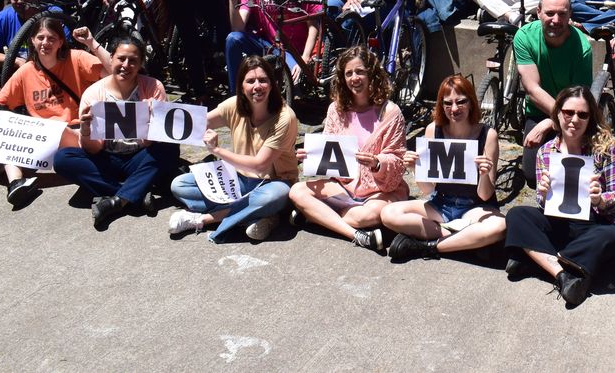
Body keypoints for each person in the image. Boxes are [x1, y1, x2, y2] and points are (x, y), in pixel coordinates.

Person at [503, 86, 615, 308]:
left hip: (593, 223)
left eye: (582, 114)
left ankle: (536, 259)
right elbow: (543, 204)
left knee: (613, 236)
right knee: (517, 215)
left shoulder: (607, 149)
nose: (574, 120)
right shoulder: (546, 151)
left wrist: (600, 200)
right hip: (558, 221)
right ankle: (563, 273)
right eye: (568, 112)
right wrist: (542, 193)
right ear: (558, 114)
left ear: (590, 118)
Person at [168, 55, 298, 242]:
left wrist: (218, 151)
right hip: (236, 180)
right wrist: (155, 117)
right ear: (241, 86)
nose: (257, 86)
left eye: (263, 80)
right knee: (179, 185)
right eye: (250, 81)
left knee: (272, 197)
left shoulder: (285, 117)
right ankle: (259, 216)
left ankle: (202, 219)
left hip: (274, 182)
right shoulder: (235, 104)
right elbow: (196, 123)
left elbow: (260, 165)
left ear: (272, 84)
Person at [55, 37, 179, 229]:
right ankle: (133, 194)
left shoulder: (153, 88)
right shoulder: (93, 93)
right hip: (107, 157)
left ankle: (116, 201)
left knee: (169, 147)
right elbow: (94, 150)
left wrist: (150, 120)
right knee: (63, 158)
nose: (126, 65)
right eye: (121, 59)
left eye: (133, 61)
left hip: (140, 156)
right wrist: (86, 131)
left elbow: (152, 142)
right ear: (111, 58)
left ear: (140, 64)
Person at [289, 48, 408, 249]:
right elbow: (329, 153)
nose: (354, 78)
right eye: (348, 73)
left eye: (360, 71)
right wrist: (311, 156)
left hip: (379, 190)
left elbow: (398, 159)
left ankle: (315, 216)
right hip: (345, 185)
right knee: (297, 191)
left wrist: (377, 163)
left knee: (365, 215)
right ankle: (356, 235)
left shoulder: (391, 112)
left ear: (372, 73)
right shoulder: (336, 109)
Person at [0, 16, 107, 205]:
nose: (45, 43)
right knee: (0, 122)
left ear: (60, 42)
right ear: (32, 40)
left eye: (51, 38)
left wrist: (91, 42)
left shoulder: (76, 58)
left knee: (60, 129)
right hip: (42, 138)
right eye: (40, 38)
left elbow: (114, 71)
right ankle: (16, 182)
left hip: (75, 132)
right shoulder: (26, 71)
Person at [382, 75, 506, 261]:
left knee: (500, 226)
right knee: (388, 213)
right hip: (440, 204)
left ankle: (428, 246)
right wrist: (416, 168)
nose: (454, 109)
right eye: (447, 103)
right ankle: (464, 240)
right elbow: (428, 189)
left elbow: (486, 195)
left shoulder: (488, 135)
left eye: (461, 102)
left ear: (471, 102)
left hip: (474, 207)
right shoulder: (433, 129)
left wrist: (485, 174)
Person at [514, 0, 593, 168]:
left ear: (570, 15)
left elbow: (579, 101)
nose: (556, 20)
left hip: (571, 114)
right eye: (550, 13)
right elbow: (533, 89)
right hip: (539, 110)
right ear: (538, 12)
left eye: (562, 14)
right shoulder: (524, 37)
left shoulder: (582, 48)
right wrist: (553, 119)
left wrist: (550, 123)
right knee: (531, 174)